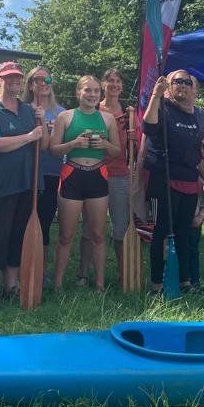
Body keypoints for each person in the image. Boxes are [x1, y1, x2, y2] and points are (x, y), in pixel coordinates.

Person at [0, 62, 47, 301]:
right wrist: (28, 136)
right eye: (9, 78)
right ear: (1, 80)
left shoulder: (28, 110)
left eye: (18, 77)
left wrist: (41, 122)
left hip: (27, 180)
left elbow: (43, 145)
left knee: (19, 233)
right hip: (2, 182)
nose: (14, 81)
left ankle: (11, 284)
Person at [142, 70, 204, 294]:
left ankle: (185, 282)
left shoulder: (199, 116)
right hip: (163, 178)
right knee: (161, 231)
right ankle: (157, 284)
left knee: (184, 232)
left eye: (186, 82)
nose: (182, 85)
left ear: (193, 89)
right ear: (169, 86)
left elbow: (199, 152)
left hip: (189, 180)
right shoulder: (162, 107)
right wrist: (156, 95)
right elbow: (148, 128)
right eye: (177, 81)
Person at [48, 75, 122, 292]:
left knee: (98, 235)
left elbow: (117, 152)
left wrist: (105, 144)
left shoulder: (107, 119)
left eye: (96, 91)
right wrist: (73, 144)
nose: (92, 95)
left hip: (97, 176)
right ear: (78, 93)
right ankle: (58, 284)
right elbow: (53, 150)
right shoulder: (65, 117)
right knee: (65, 236)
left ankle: (99, 285)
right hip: (72, 175)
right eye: (87, 90)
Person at [79, 68, 134, 283]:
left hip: (119, 175)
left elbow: (137, 145)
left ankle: (123, 275)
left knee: (120, 228)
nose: (114, 85)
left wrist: (134, 135)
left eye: (118, 81)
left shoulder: (129, 114)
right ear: (103, 85)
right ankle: (83, 274)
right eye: (110, 81)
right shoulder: (93, 108)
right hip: (94, 172)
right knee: (90, 227)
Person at [22, 65, 63, 272]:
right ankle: (21, 266)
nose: (43, 84)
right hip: (28, 172)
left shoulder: (61, 113)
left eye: (47, 80)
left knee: (45, 221)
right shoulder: (22, 110)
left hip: (52, 172)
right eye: (37, 80)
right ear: (30, 85)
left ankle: (41, 270)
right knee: (23, 220)